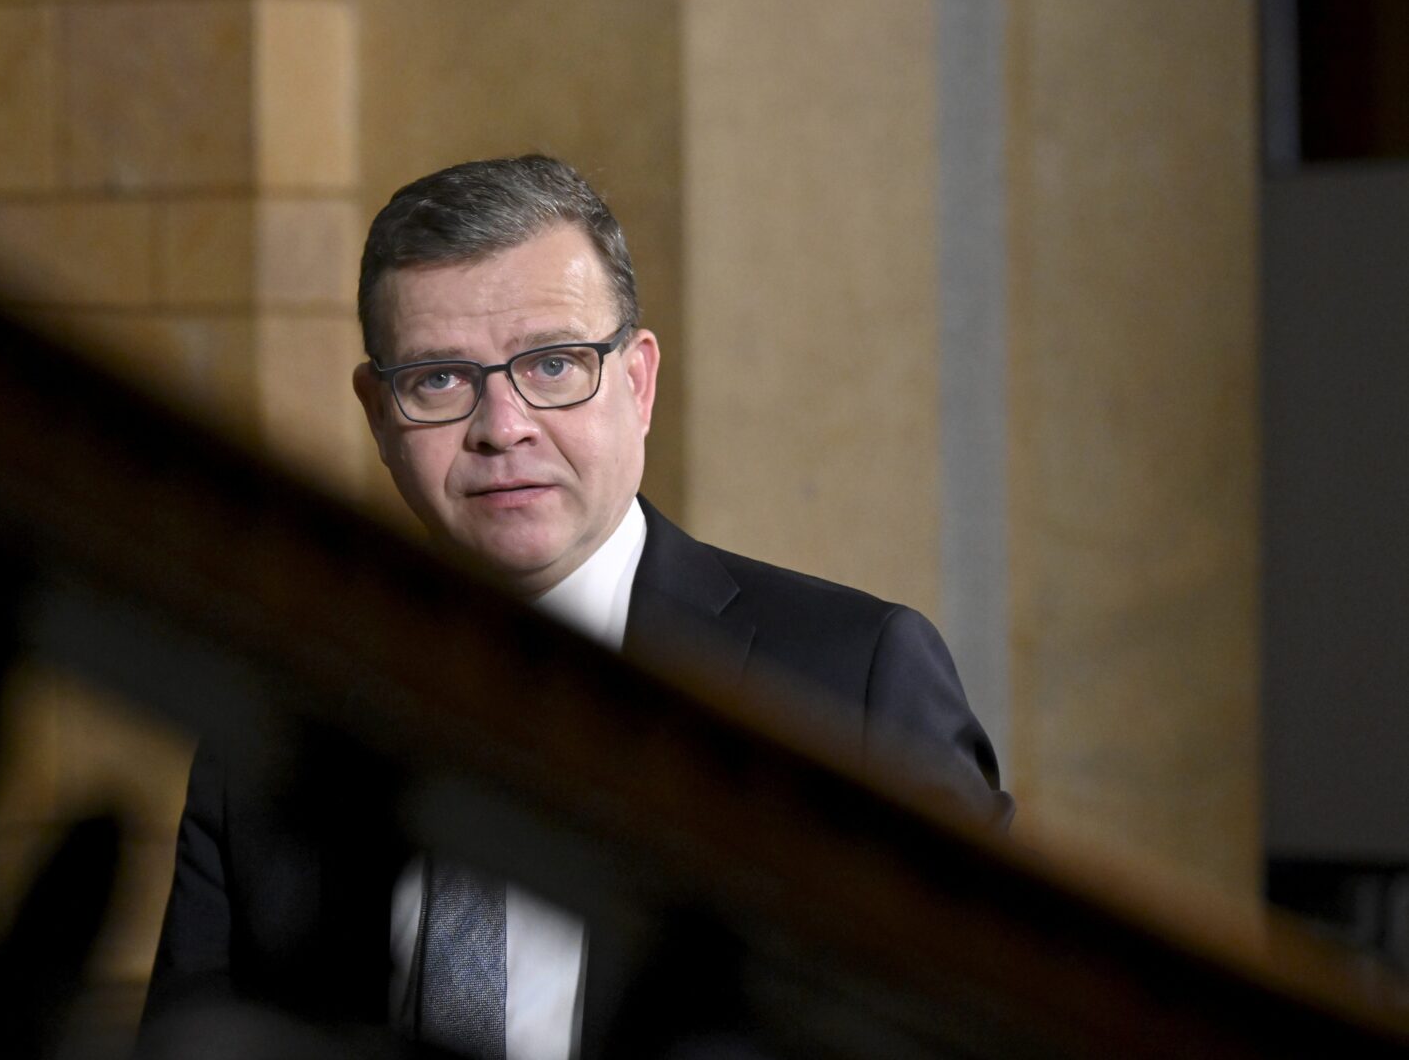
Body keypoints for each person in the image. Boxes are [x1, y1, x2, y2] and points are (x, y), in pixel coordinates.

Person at [142, 155, 1010, 1059]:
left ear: (638, 382)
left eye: (554, 364)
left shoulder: (854, 684)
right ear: (378, 412)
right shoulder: (273, 714)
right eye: (439, 380)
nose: (502, 426)